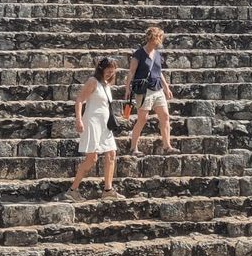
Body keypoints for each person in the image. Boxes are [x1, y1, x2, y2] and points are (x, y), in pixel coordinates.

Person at [67, 57, 121, 198]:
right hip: (92, 122)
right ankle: (73, 190)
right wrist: (79, 120)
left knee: (111, 154)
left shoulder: (106, 85)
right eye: (108, 71)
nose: (110, 74)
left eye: (112, 72)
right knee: (92, 159)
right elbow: (79, 100)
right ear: (101, 69)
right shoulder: (93, 82)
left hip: (104, 125)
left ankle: (108, 190)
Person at [124, 25, 175, 157]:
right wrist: (127, 89)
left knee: (165, 116)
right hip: (144, 90)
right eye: (159, 38)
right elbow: (131, 72)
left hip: (157, 89)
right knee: (143, 119)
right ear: (153, 39)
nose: (160, 41)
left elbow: (159, 72)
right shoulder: (139, 54)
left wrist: (166, 87)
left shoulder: (157, 54)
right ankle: (133, 147)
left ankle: (167, 146)